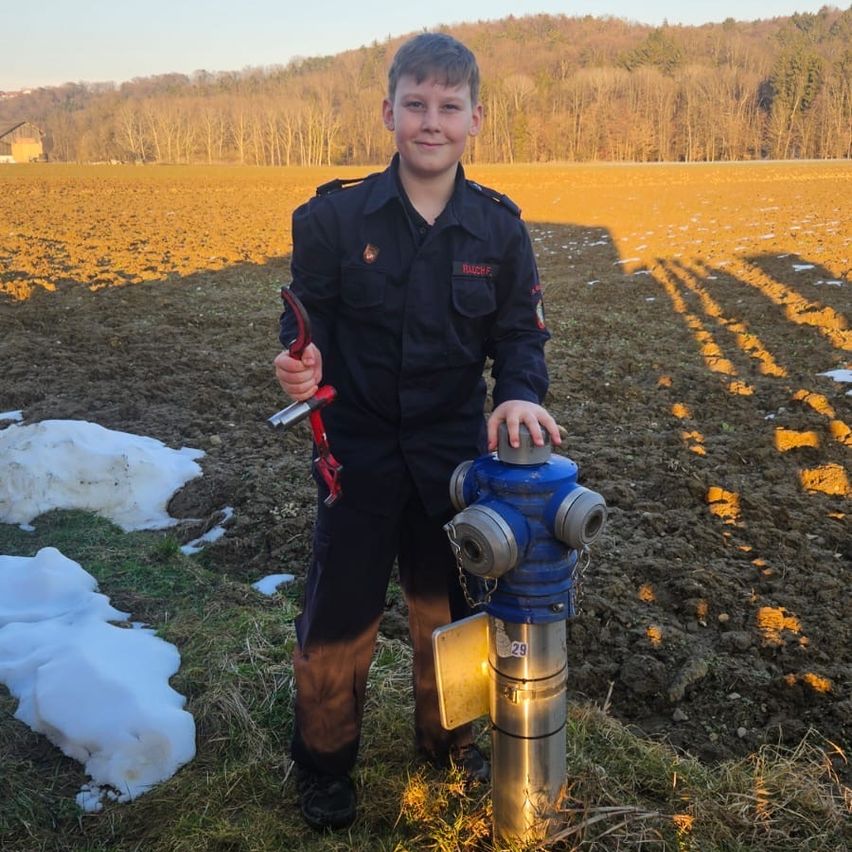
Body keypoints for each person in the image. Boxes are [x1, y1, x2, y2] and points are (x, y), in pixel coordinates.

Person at [274, 31, 561, 831]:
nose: (430, 122)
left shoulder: (498, 229)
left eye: (448, 107)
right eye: (415, 105)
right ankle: (326, 767)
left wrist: (521, 396)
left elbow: (520, 336)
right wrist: (298, 362)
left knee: (456, 617)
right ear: (388, 111)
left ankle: (449, 746)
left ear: (475, 119)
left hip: (454, 463)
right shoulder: (332, 218)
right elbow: (307, 318)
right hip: (357, 457)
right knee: (338, 620)